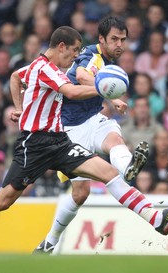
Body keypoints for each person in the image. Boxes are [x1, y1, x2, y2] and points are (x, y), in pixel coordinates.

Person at [0, 26, 168, 253]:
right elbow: (71, 91)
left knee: (109, 173)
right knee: (2, 201)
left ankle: (156, 218)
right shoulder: (46, 69)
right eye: (73, 51)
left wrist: (19, 106)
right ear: (61, 47)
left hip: (60, 142)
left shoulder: (38, 68)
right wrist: (102, 88)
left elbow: (15, 76)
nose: (75, 57)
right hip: (35, 145)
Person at [35, 16, 153, 254]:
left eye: (123, 39)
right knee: (80, 193)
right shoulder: (91, 55)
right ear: (102, 39)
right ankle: (50, 242)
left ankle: (128, 167)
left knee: (115, 139)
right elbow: (81, 76)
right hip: (70, 129)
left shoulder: (108, 59)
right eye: (114, 39)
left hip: (93, 119)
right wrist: (111, 96)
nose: (119, 44)